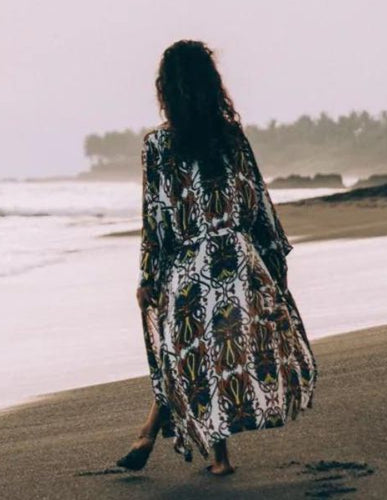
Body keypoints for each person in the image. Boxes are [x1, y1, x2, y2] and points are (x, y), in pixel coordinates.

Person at [118, 40, 316, 477]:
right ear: (213, 85)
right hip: (238, 259)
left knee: (188, 356)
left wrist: (147, 276)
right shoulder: (231, 137)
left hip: (189, 266)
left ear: (165, 88)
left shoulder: (158, 147)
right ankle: (187, 445)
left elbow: (156, 218)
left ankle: (184, 443)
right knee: (221, 354)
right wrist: (273, 264)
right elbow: (258, 201)